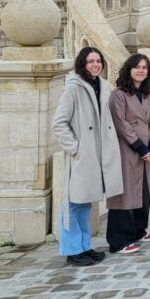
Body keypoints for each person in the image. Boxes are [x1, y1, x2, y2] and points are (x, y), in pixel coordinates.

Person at [52, 47, 123, 266]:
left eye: (98, 61)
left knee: (85, 204)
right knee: (73, 203)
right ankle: (72, 250)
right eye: (90, 61)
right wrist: (75, 148)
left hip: (97, 155)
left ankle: (84, 246)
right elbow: (59, 123)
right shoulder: (72, 89)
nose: (95, 65)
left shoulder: (102, 86)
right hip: (82, 155)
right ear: (82, 64)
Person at [106, 53, 150, 254]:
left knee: (144, 191)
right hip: (127, 150)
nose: (141, 71)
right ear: (128, 70)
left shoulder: (147, 94)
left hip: (147, 150)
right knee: (125, 194)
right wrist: (140, 147)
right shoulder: (118, 95)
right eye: (137, 67)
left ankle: (139, 229)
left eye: (144, 67)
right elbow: (121, 123)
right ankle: (118, 239)